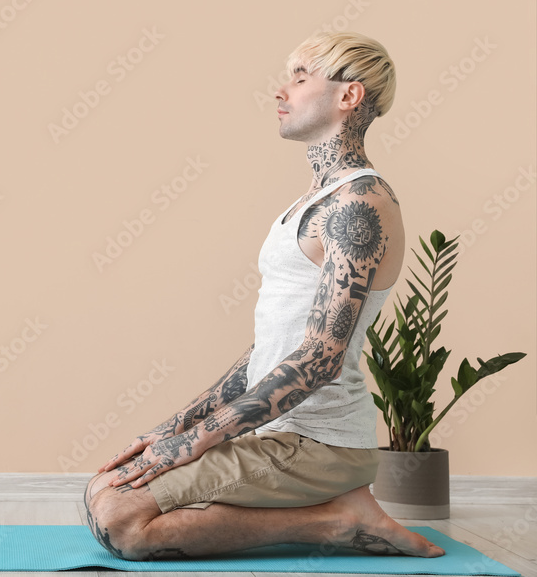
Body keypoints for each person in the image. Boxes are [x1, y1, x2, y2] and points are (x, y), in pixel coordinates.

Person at [83, 31, 446, 561]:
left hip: (318, 443)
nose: (283, 90)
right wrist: (174, 428)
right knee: (102, 488)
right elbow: (266, 353)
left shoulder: (359, 204)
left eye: (301, 78)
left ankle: (335, 522)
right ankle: (342, 510)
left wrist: (199, 441)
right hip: (277, 433)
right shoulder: (313, 203)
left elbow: (319, 361)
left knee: (120, 521)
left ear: (349, 96)